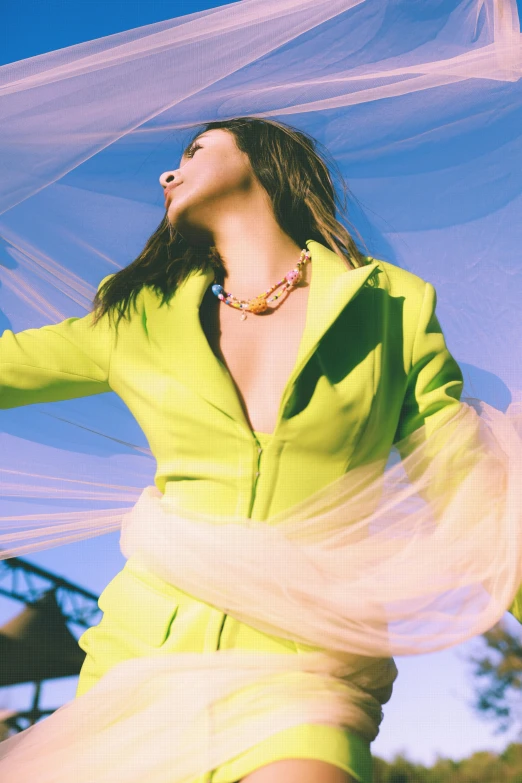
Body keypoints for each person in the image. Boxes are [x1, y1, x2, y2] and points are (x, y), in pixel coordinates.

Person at [0, 116, 518, 783]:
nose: (169, 173)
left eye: (195, 151)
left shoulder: (395, 307)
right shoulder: (134, 318)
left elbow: (469, 492)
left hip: (304, 668)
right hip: (140, 662)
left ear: (266, 162)